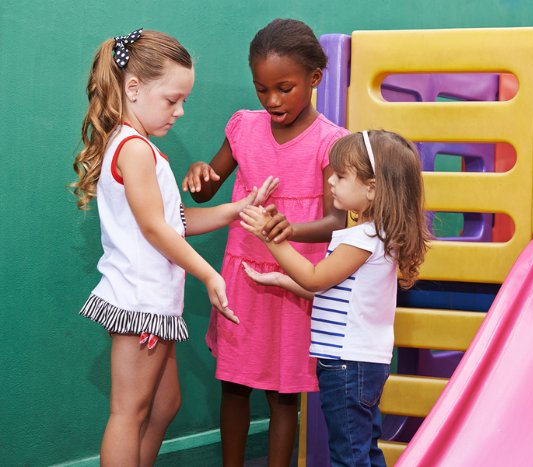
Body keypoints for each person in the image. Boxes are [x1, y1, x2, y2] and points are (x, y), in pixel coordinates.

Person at [70, 29, 277, 466]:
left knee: (163, 406)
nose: (179, 111)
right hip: (139, 301)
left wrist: (238, 207)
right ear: (133, 88)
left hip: (157, 303)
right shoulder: (134, 150)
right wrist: (208, 272)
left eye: (183, 101)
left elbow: (175, 222)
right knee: (129, 413)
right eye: (171, 100)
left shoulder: (141, 149)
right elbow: (153, 228)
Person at [180, 19, 348, 466]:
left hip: (292, 284)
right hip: (243, 281)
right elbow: (206, 191)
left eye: (284, 88)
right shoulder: (243, 128)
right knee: (233, 387)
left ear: (314, 78)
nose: (272, 101)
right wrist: (199, 172)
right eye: (262, 89)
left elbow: (336, 220)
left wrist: (289, 230)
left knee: (282, 398)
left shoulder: (331, 143)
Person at [240, 130, 430, 466]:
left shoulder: (364, 238)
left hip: (347, 364)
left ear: (372, 188)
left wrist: (270, 239)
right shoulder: (377, 237)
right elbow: (327, 288)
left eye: (341, 176)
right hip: (361, 363)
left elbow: (315, 277)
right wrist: (282, 279)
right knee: (363, 448)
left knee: (349, 455)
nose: (331, 182)